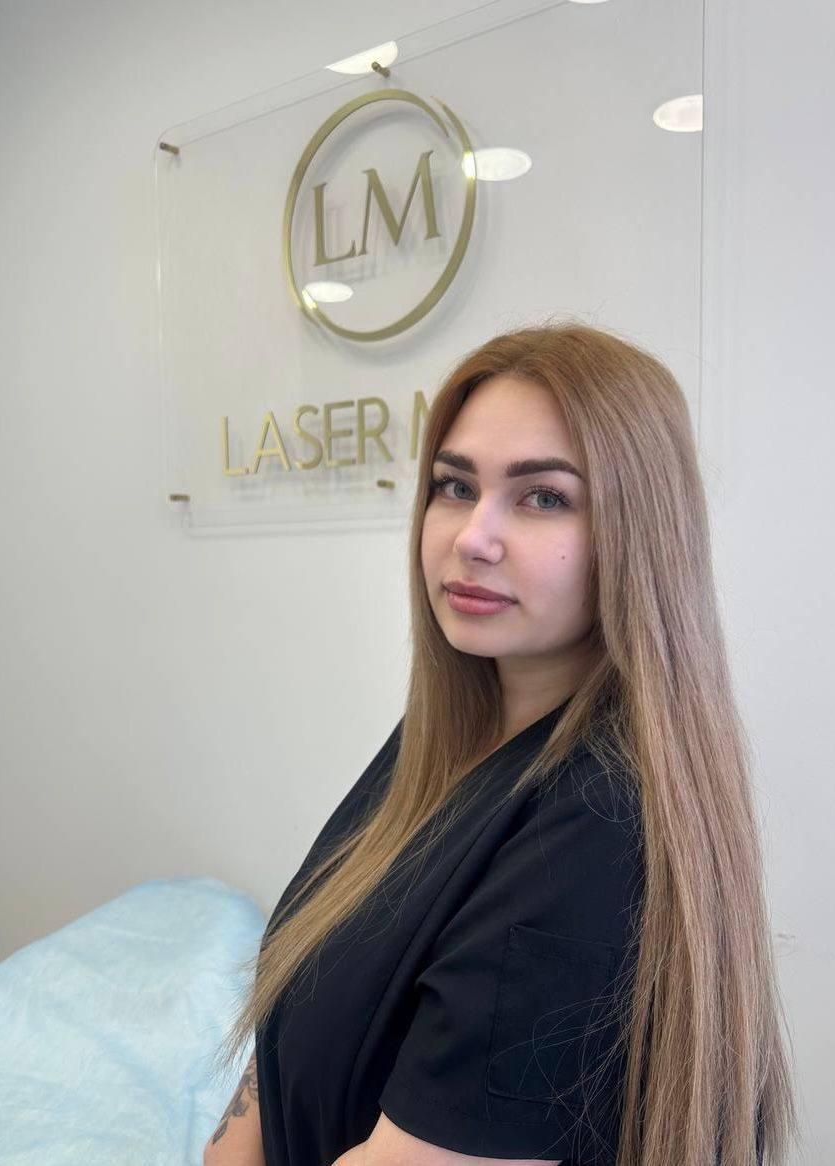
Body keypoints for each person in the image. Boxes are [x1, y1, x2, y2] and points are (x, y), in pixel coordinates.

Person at [204, 321, 800, 1166]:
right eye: (455, 487)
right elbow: (296, 995)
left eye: (542, 497)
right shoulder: (449, 739)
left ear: (637, 534)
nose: (472, 537)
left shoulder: (594, 827)